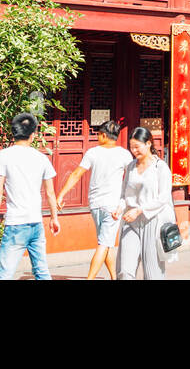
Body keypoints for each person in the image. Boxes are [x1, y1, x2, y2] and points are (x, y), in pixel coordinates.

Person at [55, 120, 132, 280]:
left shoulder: (93, 152)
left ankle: (114, 277)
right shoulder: (124, 154)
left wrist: (61, 194)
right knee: (105, 244)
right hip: (112, 206)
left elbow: (76, 174)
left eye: (98, 134)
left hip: (95, 205)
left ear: (103, 135)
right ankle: (90, 278)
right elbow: (131, 180)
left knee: (106, 243)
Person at [0, 111, 61, 280]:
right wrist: (54, 217)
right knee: (42, 272)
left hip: (15, 223)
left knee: (4, 274)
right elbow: (50, 192)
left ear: (14, 133)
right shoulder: (41, 158)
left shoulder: (4, 155)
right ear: (33, 135)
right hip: (36, 222)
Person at [113, 126, 178, 280]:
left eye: (137, 147)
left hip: (153, 221)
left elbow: (163, 198)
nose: (134, 151)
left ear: (149, 143)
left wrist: (141, 210)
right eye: (131, 147)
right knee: (124, 270)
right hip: (131, 221)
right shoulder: (130, 167)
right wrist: (120, 207)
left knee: (152, 272)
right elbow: (124, 194)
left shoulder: (160, 167)